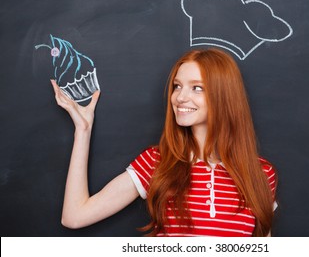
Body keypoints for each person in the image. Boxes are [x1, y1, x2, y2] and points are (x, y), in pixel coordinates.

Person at [51, 48, 277, 237]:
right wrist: (83, 130)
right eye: (177, 86)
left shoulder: (261, 173)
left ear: (224, 96)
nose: (180, 97)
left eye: (196, 87)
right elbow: (74, 216)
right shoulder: (157, 162)